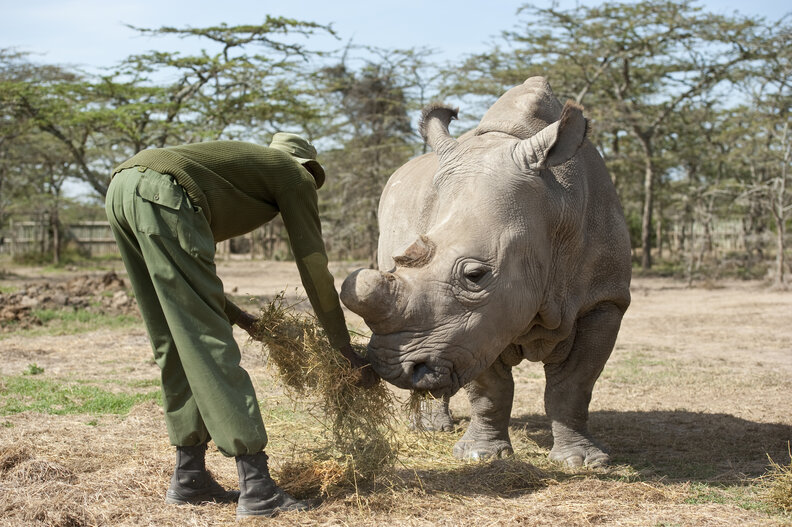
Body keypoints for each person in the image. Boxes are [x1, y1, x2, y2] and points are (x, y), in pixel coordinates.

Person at [104, 133, 378, 518]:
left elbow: (194, 280)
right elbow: (313, 266)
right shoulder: (293, 176)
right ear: (309, 170)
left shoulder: (235, 175)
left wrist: (247, 320)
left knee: (174, 338)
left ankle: (190, 476)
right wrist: (342, 348)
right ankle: (258, 486)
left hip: (121, 188)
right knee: (206, 342)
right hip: (160, 189)